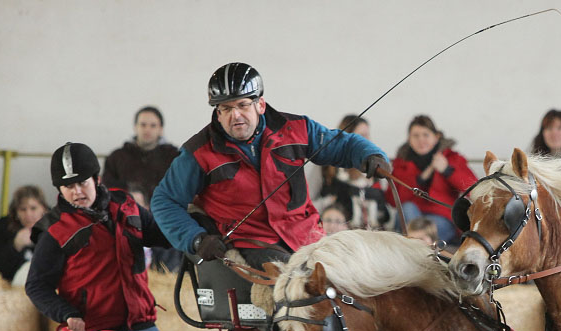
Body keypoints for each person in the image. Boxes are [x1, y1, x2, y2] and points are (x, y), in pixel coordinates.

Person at [152, 62, 389, 291]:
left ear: (260, 105)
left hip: (308, 236)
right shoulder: (198, 153)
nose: (235, 115)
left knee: (360, 278)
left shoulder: (297, 128)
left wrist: (370, 156)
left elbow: (342, 145)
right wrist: (196, 239)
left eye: (243, 105)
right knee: (303, 287)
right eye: (225, 108)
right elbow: (164, 201)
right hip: (253, 243)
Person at [25, 142, 178, 331]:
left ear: (96, 179)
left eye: (82, 183)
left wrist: (193, 233)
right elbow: (36, 286)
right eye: (68, 187)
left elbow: (161, 234)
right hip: (95, 329)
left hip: (140, 322)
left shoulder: (126, 206)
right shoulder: (54, 230)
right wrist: (66, 313)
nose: (76, 192)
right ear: (59, 189)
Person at [103, 106, 182, 272]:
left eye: (153, 125)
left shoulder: (174, 157)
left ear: (160, 129)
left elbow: (181, 188)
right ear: (135, 127)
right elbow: (106, 188)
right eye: (143, 124)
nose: (147, 129)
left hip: (164, 218)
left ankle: (167, 271)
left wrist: (156, 204)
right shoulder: (117, 157)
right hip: (125, 218)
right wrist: (129, 196)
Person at [385, 114, 475, 245]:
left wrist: (447, 171)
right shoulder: (401, 163)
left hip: (441, 217)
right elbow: (393, 200)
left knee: (427, 229)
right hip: (411, 217)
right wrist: (420, 179)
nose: (421, 140)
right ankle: (421, 245)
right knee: (408, 208)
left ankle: (415, 247)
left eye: (425, 135)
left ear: (436, 136)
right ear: (409, 139)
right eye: (415, 136)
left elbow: (473, 188)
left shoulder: (451, 158)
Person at [317, 115, 390, 229]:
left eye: (367, 135)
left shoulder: (374, 166)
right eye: (361, 136)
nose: (366, 140)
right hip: (338, 227)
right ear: (348, 138)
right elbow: (313, 200)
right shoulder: (326, 165)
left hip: (372, 227)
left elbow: (385, 205)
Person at [0, 185, 50, 284]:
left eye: (33, 208)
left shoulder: (56, 228)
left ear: (44, 210)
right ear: (16, 213)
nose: (28, 214)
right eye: (23, 209)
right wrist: (15, 246)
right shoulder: (3, 229)